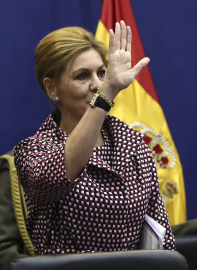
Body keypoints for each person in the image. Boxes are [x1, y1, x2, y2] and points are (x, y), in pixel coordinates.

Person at [13, 21, 175, 255]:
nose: (98, 84)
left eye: (101, 73)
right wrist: (106, 93)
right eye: (82, 76)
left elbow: (160, 232)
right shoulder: (34, 151)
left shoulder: (132, 143)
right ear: (51, 89)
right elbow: (57, 175)